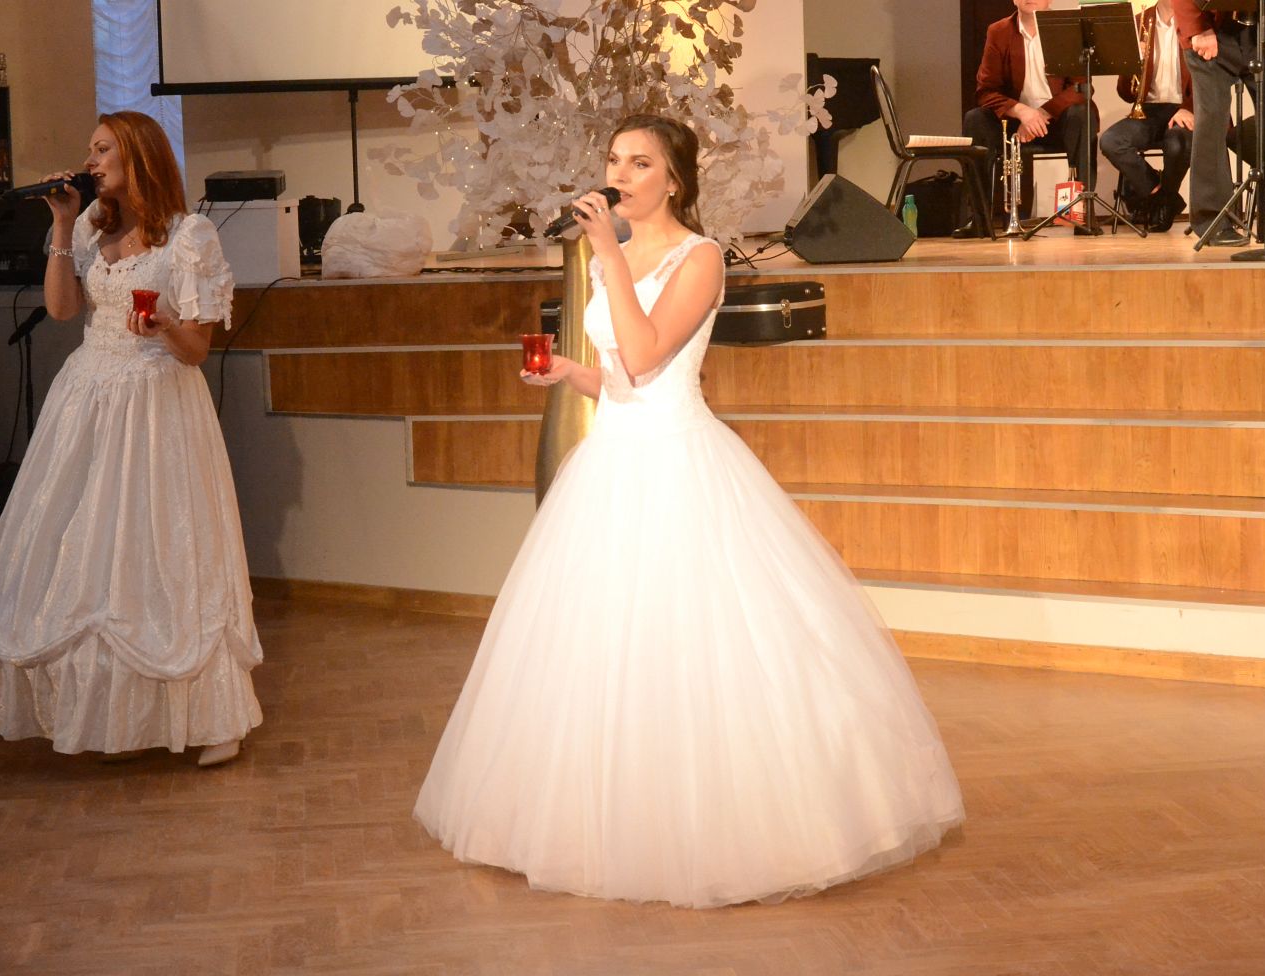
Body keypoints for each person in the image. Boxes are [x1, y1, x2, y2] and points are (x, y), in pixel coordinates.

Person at [413, 114, 965, 908]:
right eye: (614, 159)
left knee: (697, 645)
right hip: (611, 462)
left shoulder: (699, 257)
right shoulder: (612, 253)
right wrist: (571, 371)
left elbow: (646, 357)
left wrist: (606, 256)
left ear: (674, 180)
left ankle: (723, 830)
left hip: (679, 462)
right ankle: (599, 822)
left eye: (640, 163)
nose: (620, 174)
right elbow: (620, 379)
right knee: (599, 648)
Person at [0, 111, 264, 766]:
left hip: (157, 404)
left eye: (101, 150)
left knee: (164, 550)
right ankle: (111, 716)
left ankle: (215, 718)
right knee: (90, 552)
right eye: (90, 150)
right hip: (88, 396)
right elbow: (63, 309)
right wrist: (63, 225)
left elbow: (197, 351)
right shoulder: (94, 226)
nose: (89, 161)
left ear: (137, 155)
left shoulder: (189, 235)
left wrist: (164, 326)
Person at [961, 0, 1098, 234]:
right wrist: (1021, 111)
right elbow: (986, 90)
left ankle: (1084, 213)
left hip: (1058, 120)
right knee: (975, 119)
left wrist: (1041, 114)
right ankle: (980, 218)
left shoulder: (1066, 27)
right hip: (1015, 121)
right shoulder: (999, 31)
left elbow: (1081, 87)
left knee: (1082, 114)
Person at [1172, 0, 1265, 244]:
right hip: (1212, 27)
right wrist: (1196, 28)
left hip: (1263, 28)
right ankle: (1212, 220)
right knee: (1212, 123)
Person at [1102, 0, 1193, 232]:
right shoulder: (1137, 23)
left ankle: (1162, 204)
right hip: (1149, 110)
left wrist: (1189, 108)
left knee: (1177, 142)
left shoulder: (1195, 19)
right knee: (1111, 141)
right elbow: (1125, 92)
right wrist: (1131, 60)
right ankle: (1164, 198)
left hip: (1185, 107)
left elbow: (1211, 76)